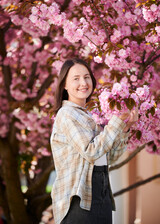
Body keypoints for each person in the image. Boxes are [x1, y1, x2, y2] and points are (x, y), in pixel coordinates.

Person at [50, 58, 138, 224]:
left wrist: (125, 128)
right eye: (76, 79)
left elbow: (109, 158)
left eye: (86, 77)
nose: (83, 83)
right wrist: (117, 121)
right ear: (64, 85)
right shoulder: (66, 114)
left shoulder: (90, 116)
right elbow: (91, 152)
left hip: (101, 195)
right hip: (77, 199)